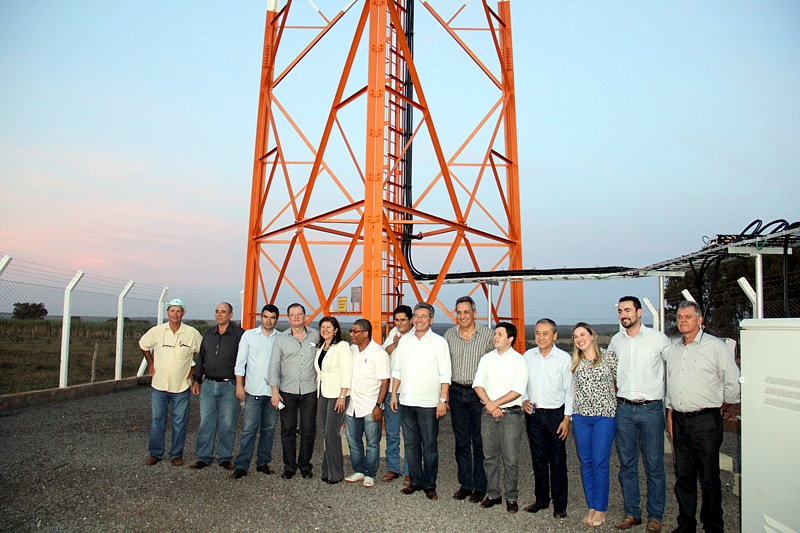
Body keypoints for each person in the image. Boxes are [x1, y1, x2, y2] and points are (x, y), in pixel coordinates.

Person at [665, 301, 740, 533]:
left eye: (688, 316)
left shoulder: (715, 347)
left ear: (699, 320)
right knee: (684, 478)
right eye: (679, 317)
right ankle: (686, 524)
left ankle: (713, 526)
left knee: (709, 478)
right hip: (679, 420)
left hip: (705, 421)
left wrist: (717, 409)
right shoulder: (674, 350)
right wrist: (670, 419)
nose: (683, 320)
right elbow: (671, 388)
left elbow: (733, 384)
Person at [609, 296, 671, 533]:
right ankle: (632, 512)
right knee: (627, 465)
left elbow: (673, 368)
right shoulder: (616, 341)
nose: (624, 315)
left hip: (651, 409)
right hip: (624, 409)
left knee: (654, 465)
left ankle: (655, 516)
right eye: (620, 311)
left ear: (639, 312)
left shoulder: (658, 340)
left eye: (628, 310)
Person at [390, 302, 451, 501]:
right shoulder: (405, 341)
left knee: (430, 445)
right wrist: (393, 395)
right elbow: (397, 370)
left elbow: (445, 373)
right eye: (416, 315)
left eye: (423, 316)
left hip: (429, 403)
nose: (419, 319)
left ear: (431, 319)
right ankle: (415, 481)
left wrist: (443, 399)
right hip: (407, 400)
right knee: (411, 444)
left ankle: (429, 484)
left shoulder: (439, 342)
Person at [472, 322, 529, 514]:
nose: (495, 337)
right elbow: (478, 383)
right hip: (488, 413)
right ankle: (493, 494)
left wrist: (495, 403)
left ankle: (511, 497)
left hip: (510, 414)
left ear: (510, 339)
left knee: (511, 458)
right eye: (495, 334)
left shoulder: (519, 360)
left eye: (500, 334)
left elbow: (518, 390)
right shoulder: (486, 359)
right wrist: (489, 403)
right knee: (490, 457)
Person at [139, 298, 202, 466]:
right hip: (159, 385)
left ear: (183, 313)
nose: (175, 314)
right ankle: (155, 453)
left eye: (178, 311)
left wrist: (194, 370)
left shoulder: (192, 333)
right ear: (167, 313)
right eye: (172, 310)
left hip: (181, 386)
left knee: (179, 422)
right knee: (157, 421)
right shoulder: (157, 331)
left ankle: (176, 454)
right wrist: (151, 363)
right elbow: (143, 344)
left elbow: (203, 352)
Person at [522, 318, 574, 518]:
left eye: (545, 333)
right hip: (534, 414)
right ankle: (541, 500)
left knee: (558, 460)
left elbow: (570, 391)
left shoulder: (563, 359)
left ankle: (560, 504)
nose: (541, 337)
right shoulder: (528, 356)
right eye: (537, 333)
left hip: (556, 415)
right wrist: (524, 399)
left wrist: (567, 418)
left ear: (555, 336)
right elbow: (522, 383)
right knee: (538, 460)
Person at [444, 296, 493, 503]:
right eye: (459, 312)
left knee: (479, 440)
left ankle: (480, 486)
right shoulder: (449, 335)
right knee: (461, 441)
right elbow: (444, 368)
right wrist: (444, 395)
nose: (462, 316)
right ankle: (465, 484)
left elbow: (495, 366)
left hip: (478, 395)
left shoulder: (488, 335)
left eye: (466, 312)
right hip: (456, 392)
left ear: (474, 313)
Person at [570, 322, 618, 527]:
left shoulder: (609, 357)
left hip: (603, 417)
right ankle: (591, 505)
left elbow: (622, 382)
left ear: (591, 336)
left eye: (582, 334)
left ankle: (601, 508)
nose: (579, 339)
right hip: (581, 418)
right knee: (586, 462)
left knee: (599, 462)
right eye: (575, 336)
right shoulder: (574, 362)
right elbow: (570, 391)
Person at [268, 303, 321, 479]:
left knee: (308, 429)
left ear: (305, 316)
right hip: (287, 391)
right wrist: (274, 392)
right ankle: (289, 466)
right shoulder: (281, 339)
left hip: (309, 391)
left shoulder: (316, 335)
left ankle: (305, 465)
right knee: (288, 429)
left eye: (299, 314)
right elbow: (273, 366)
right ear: (288, 318)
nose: (296, 317)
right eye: (293, 315)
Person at [189, 302, 244, 471]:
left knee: (227, 423)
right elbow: (201, 358)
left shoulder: (239, 335)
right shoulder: (209, 333)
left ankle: (225, 457)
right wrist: (196, 379)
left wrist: (241, 385)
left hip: (229, 385)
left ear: (231, 314)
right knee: (206, 422)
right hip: (208, 384)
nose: (219, 315)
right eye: (217, 312)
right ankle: (204, 457)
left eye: (223, 312)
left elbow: (244, 361)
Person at [231, 304, 281, 479]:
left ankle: (263, 462)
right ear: (261, 317)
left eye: (272, 317)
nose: (269, 320)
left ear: (277, 319)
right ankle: (242, 465)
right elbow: (240, 363)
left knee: (268, 429)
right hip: (252, 391)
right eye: (266, 316)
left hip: (273, 393)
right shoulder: (249, 336)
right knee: (248, 429)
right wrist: (239, 386)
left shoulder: (281, 338)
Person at [344, 319, 390, 488]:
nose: (351, 334)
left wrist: (379, 405)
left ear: (365, 333)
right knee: (353, 440)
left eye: (355, 331)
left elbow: (385, 382)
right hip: (352, 405)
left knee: (372, 442)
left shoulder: (378, 353)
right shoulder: (351, 350)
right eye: (351, 330)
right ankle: (359, 470)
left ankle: (370, 473)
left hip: (371, 406)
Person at [315, 316, 352, 484]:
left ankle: (336, 473)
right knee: (327, 433)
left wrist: (342, 396)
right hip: (323, 394)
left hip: (338, 395)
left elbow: (347, 371)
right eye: (322, 327)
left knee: (332, 432)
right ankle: (326, 470)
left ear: (336, 329)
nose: (325, 330)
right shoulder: (321, 347)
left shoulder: (342, 346)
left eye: (328, 327)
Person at [381, 304, 413, 484]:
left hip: (408, 392)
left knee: (409, 434)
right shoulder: (393, 333)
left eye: (403, 320)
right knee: (392, 432)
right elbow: (383, 354)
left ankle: (410, 470)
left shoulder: (416, 336)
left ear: (410, 320)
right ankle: (392, 468)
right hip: (392, 391)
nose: (399, 323)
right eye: (397, 320)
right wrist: (394, 344)